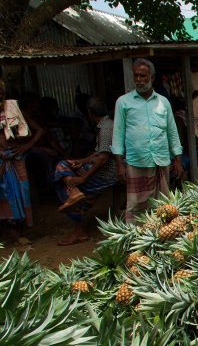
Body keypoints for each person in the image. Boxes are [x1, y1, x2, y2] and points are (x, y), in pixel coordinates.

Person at [111, 58, 183, 222]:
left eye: (143, 76)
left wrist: (177, 160)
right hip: (137, 161)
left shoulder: (163, 102)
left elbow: (172, 132)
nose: (139, 80)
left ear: (152, 77)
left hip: (161, 160)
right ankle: (135, 242)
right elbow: (118, 134)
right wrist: (119, 164)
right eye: (136, 76)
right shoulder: (123, 102)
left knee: (163, 205)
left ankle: (161, 240)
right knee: (136, 206)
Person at [53, 98, 117, 245]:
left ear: (89, 112)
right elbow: (99, 154)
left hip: (107, 173)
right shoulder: (106, 124)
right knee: (68, 168)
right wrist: (81, 161)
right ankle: (75, 193)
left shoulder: (106, 128)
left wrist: (84, 178)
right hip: (106, 169)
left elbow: (103, 158)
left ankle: (74, 192)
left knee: (62, 172)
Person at [0, 80, 44, 239]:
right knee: (3, 194)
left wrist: (26, 146)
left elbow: (39, 130)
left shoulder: (13, 108)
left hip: (16, 157)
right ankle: (7, 229)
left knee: (21, 192)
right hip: (2, 159)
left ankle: (19, 230)